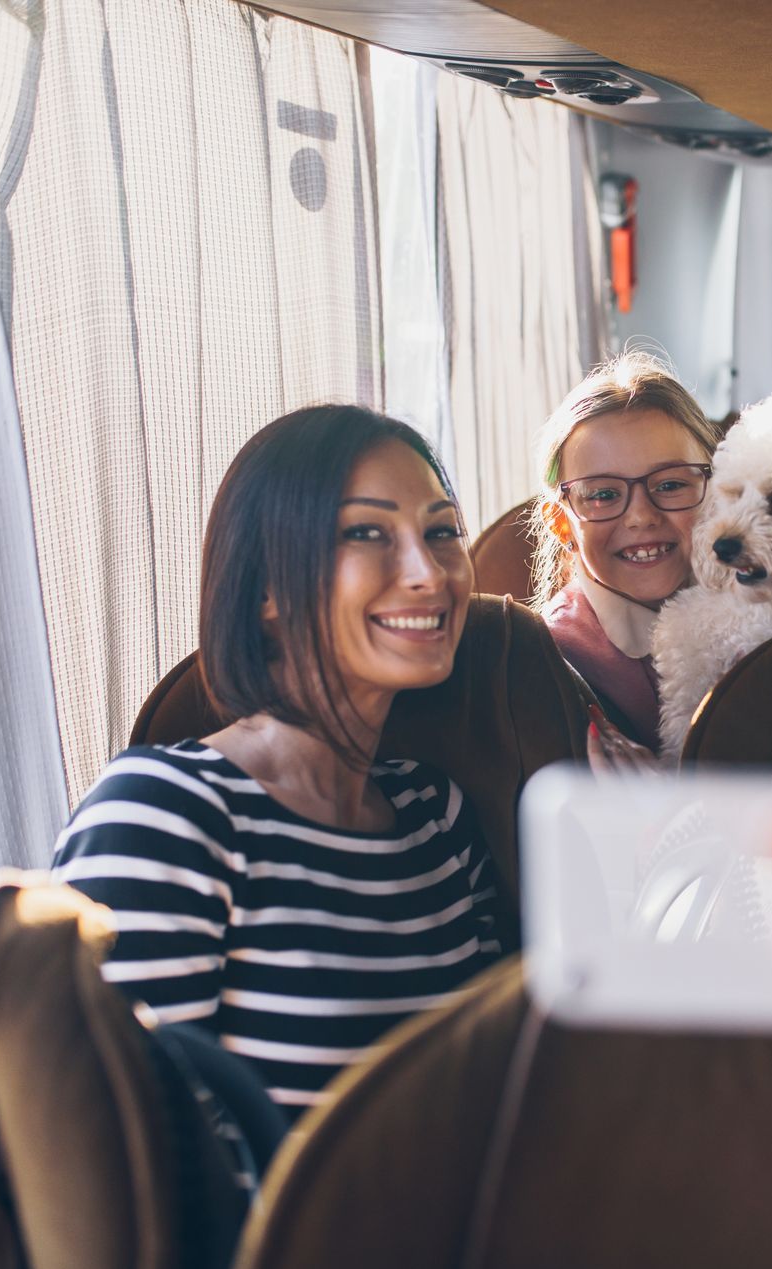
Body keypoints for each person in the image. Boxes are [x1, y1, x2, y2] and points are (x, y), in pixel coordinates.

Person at [54, 405, 510, 1120]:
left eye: (441, 531)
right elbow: (115, 1157)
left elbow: (496, 1092)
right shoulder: (162, 815)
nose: (428, 573)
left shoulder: (435, 817)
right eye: (366, 533)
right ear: (266, 588)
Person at [527, 351, 725, 758]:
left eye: (670, 485)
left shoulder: (767, 604)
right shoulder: (553, 664)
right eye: (602, 494)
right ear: (560, 522)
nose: (640, 516)